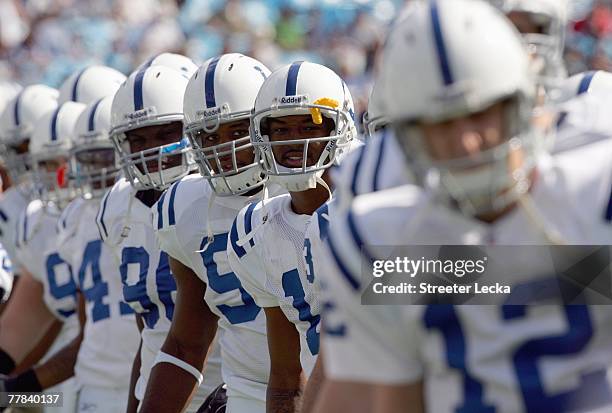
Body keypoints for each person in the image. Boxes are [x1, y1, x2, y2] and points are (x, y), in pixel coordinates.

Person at [311, 1, 612, 412]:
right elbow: (388, 396)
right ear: (406, 135)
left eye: (481, 113)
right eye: (441, 123)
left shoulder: (599, 191)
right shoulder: (376, 235)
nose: (467, 142)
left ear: (523, 105)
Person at [143, 53, 274, 413]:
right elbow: (187, 342)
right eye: (209, 135)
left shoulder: (317, 193)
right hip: (246, 393)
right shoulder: (183, 207)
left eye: (237, 130)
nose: (225, 149)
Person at [227, 61, 357, 413]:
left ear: (341, 130)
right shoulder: (254, 231)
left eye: (308, 127)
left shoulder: (367, 211)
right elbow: (286, 378)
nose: (294, 140)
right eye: (281, 130)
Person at [99, 61, 222, 413]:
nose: (152, 151)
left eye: (165, 134)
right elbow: (150, 330)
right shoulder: (117, 207)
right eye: (138, 140)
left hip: (226, 391)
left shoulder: (215, 198)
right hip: (159, 389)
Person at [0, 101, 87, 412]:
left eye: (60, 162)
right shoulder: (40, 220)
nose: (54, 175)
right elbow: (33, 320)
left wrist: (15, 389)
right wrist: (10, 389)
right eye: (46, 164)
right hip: (67, 385)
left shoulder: (119, 216)